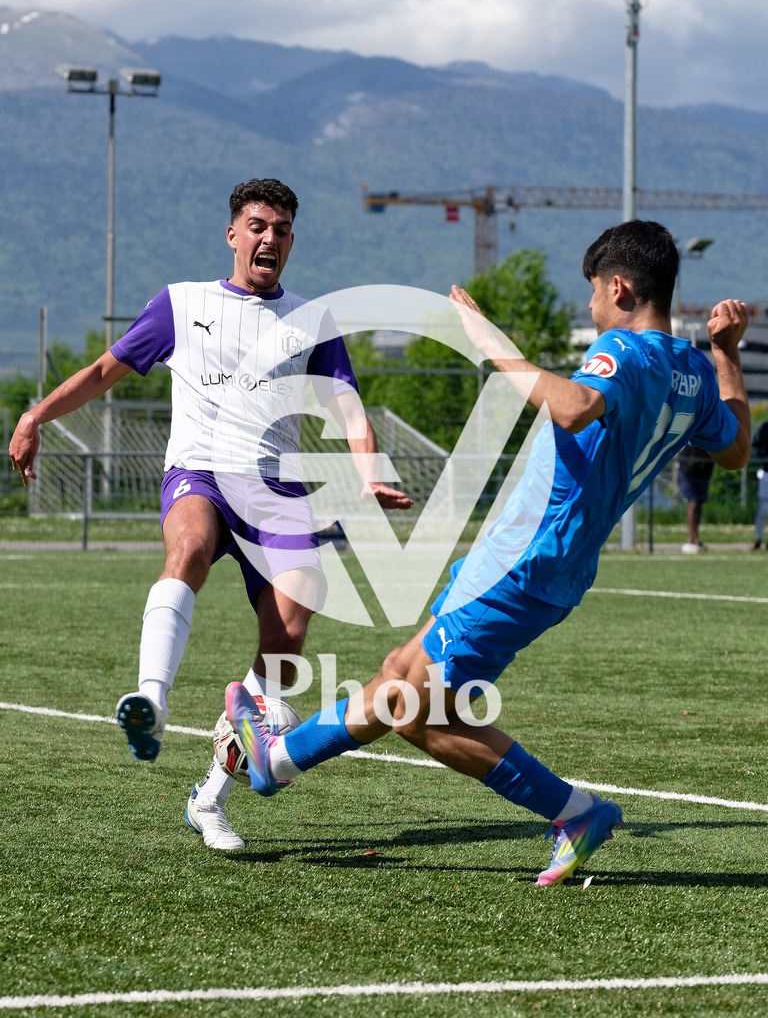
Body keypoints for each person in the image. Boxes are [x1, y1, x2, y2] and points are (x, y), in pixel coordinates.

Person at [224, 219, 751, 886]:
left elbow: (574, 406)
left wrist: (488, 341)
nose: (591, 307)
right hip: (553, 564)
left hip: (524, 562)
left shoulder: (625, 350)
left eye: (593, 292)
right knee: (399, 674)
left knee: (410, 709)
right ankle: (274, 762)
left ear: (618, 288)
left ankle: (575, 812)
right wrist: (725, 354)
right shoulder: (692, 371)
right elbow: (736, 449)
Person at [8, 177, 412, 851]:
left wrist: (369, 468)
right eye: (258, 226)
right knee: (189, 546)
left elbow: (346, 404)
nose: (270, 238)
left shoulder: (312, 321)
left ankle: (209, 798)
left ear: (291, 241)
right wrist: (35, 415)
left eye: (281, 230)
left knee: (285, 647)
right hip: (201, 472)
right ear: (233, 235)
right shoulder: (182, 303)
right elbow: (105, 371)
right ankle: (151, 700)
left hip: (276, 491)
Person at [676, 443, 714, 553]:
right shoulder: (692, 445)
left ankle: (692, 537)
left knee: (698, 505)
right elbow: (691, 462)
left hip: (702, 473)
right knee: (693, 503)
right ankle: (694, 538)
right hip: (687, 473)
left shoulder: (710, 444)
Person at [753, 466, 768, 550]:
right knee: (759, 521)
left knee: (760, 520)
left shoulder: (761, 474)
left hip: (763, 500)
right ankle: (758, 540)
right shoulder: (762, 473)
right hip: (763, 500)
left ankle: (759, 540)